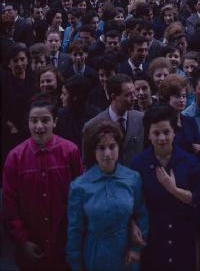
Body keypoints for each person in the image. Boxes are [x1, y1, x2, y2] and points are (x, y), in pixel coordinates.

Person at [3, 97, 83, 270]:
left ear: (55, 122)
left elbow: (80, 196)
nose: (39, 127)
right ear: (28, 123)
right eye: (34, 121)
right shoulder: (15, 157)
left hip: (64, 241)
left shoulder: (70, 152)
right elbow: (10, 204)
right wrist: (22, 240)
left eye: (45, 120)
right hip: (31, 242)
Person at [67, 120, 148, 271]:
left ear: (119, 147)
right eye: (101, 148)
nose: (107, 154)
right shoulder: (79, 186)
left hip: (126, 255)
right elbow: (75, 231)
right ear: (93, 151)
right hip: (95, 254)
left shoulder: (132, 179)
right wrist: (76, 265)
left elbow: (141, 215)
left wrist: (135, 249)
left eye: (112, 147)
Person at [131, 104, 200, 271]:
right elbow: (132, 203)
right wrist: (131, 225)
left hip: (182, 237)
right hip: (152, 238)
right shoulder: (138, 164)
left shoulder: (189, 162)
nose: (162, 138)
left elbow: (197, 197)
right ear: (148, 134)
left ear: (174, 132)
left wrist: (173, 190)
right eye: (156, 133)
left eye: (166, 132)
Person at [84, 73, 144, 166]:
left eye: (133, 93)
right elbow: (88, 164)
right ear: (113, 97)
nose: (134, 98)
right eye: (128, 95)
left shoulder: (141, 119)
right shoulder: (93, 126)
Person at [159, 74, 200, 154]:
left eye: (184, 96)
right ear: (167, 97)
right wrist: (191, 147)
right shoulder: (161, 123)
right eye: (177, 96)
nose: (182, 100)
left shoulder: (190, 121)